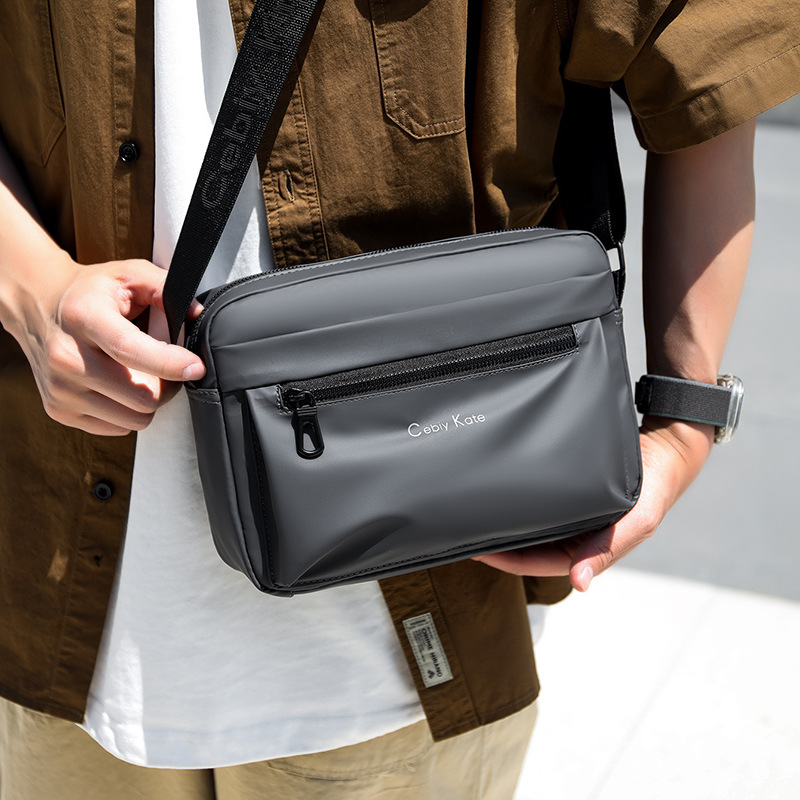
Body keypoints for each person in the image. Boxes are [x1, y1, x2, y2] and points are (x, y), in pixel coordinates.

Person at [0, 0, 797, 797]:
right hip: (55, 596)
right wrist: (32, 286)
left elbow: (706, 55)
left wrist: (685, 420)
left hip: (404, 645)